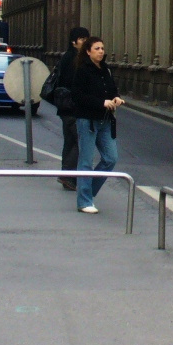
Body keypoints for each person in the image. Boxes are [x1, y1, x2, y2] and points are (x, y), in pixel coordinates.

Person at [69, 36, 124, 213]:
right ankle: (84, 201)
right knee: (85, 161)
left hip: (105, 120)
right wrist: (101, 102)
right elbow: (77, 96)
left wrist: (116, 98)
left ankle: (87, 193)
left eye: (102, 48)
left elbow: (112, 89)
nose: (101, 51)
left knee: (110, 158)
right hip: (87, 120)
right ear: (88, 51)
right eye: (97, 48)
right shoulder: (82, 70)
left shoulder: (105, 69)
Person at [54, 26, 90, 190]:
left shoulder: (67, 57)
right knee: (78, 142)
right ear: (73, 41)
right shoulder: (74, 59)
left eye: (86, 39)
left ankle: (66, 175)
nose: (84, 42)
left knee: (69, 142)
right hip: (73, 107)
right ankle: (68, 177)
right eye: (82, 39)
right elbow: (75, 84)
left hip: (65, 107)